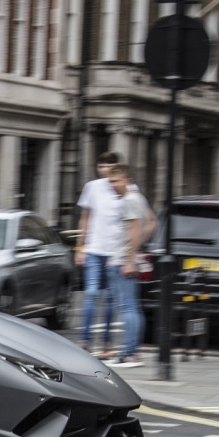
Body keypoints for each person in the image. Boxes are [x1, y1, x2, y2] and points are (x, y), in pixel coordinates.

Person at [74, 152, 125, 356]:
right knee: (92, 294)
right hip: (94, 249)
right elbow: (85, 218)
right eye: (101, 165)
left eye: (108, 165)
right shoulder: (92, 187)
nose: (104, 169)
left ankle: (106, 342)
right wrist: (80, 247)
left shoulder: (125, 188)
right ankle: (85, 339)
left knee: (111, 298)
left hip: (115, 251)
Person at [105, 163, 155, 369]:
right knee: (133, 306)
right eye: (110, 182)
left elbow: (134, 230)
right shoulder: (139, 198)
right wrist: (137, 248)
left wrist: (129, 257)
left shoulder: (128, 201)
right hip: (128, 256)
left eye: (115, 181)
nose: (112, 185)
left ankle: (128, 353)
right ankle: (132, 352)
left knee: (127, 307)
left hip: (122, 259)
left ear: (126, 180)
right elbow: (152, 222)